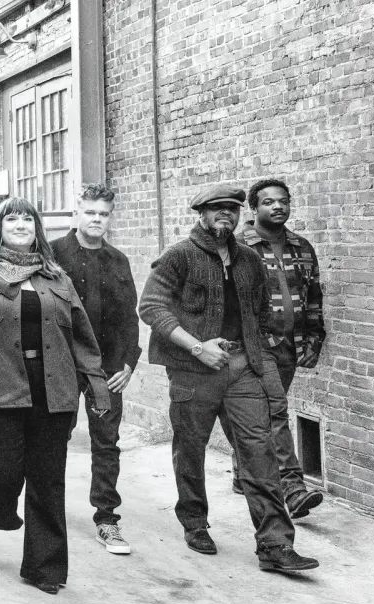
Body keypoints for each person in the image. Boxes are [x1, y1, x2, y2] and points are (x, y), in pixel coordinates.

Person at [138, 183, 319, 573]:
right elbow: (151, 307)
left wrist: (258, 360)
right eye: (217, 208)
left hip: (242, 369)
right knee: (191, 449)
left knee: (260, 452)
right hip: (192, 371)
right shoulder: (178, 256)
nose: (226, 214)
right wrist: (196, 346)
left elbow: (261, 314)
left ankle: (275, 545)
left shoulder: (249, 259)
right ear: (201, 214)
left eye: (232, 209)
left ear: (240, 215)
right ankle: (194, 522)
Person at [0, 197, 110, 595]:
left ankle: (44, 568)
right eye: (12, 218)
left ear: (37, 229)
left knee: (48, 480)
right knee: (4, 467)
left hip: (54, 389)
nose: (20, 225)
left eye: (28, 219)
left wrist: (96, 385)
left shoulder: (57, 278)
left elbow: (81, 336)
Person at [222, 178, 325, 519]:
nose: (278, 206)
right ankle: (292, 488)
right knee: (275, 412)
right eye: (268, 202)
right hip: (254, 346)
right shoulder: (237, 247)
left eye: (283, 201)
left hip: (290, 347)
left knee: (262, 414)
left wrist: (315, 339)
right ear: (254, 208)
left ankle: (243, 473)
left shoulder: (302, 247)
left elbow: (313, 296)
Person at [51, 184, 142, 555]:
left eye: (103, 214)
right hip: (62, 364)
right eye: (90, 212)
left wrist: (128, 363)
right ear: (77, 212)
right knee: (53, 438)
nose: (96, 220)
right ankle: (48, 512)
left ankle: (107, 520)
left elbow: (129, 317)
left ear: (110, 217)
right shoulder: (53, 253)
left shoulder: (118, 260)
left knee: (106, 442)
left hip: (107, 367)